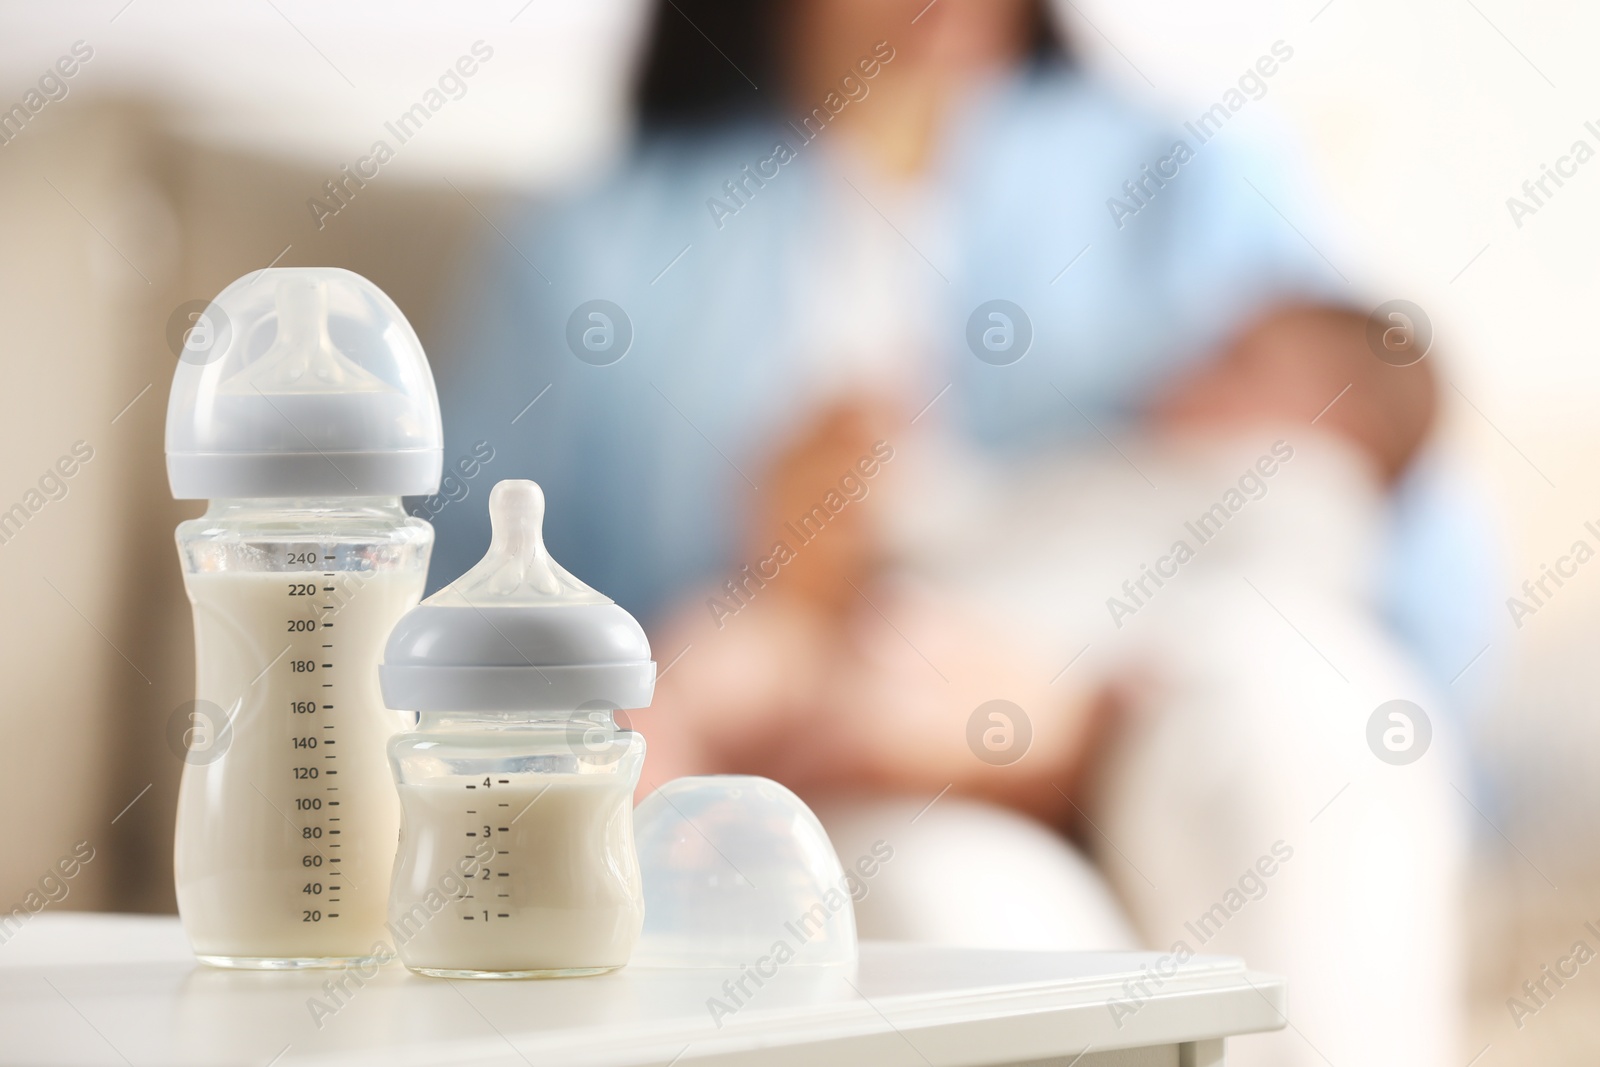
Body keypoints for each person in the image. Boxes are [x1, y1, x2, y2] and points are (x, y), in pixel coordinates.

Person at [430, 1, 1476, 1063]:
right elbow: (464, 632)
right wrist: (779, 582)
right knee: (954, 915)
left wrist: (1068, 719)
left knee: (1298, 701)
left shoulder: (1187, 177)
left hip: (1170, 716)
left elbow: (1405, 555)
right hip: (844, 768)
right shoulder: (592, 248)